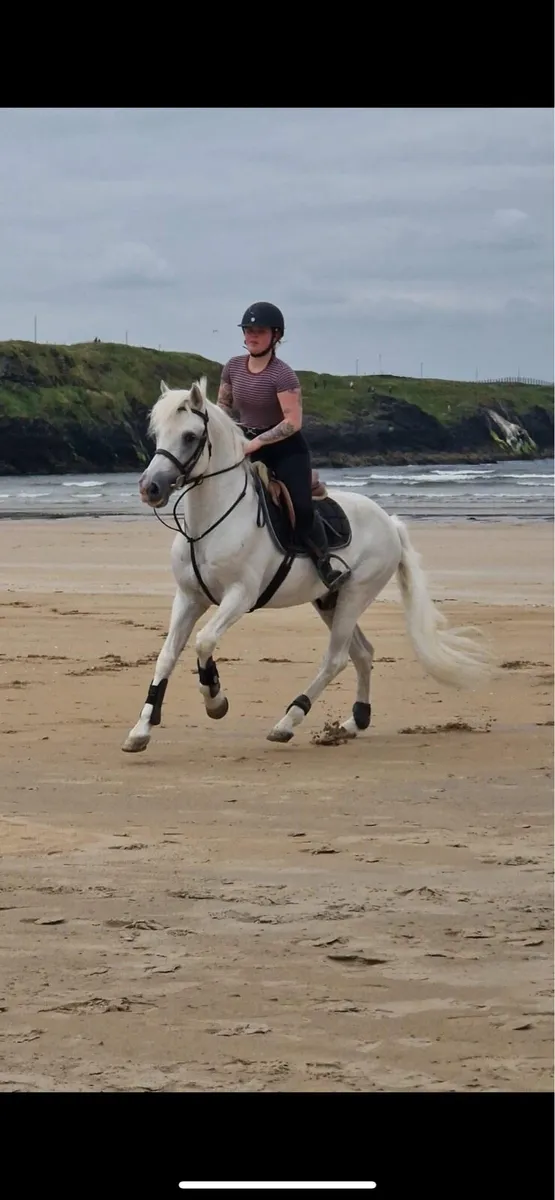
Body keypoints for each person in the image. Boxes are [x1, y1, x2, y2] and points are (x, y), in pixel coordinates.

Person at [217, 301, 351, 592]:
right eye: (248, 330)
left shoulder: (283, 375)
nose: (252, 335)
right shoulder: (232, 367)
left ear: (275, 335)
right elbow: (223, 407)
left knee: (301, 508)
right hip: (245, 443)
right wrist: (226, 434)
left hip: (286, 448)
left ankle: (324, 563)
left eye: (259, 331)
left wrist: (255, 443)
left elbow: (292, 422)